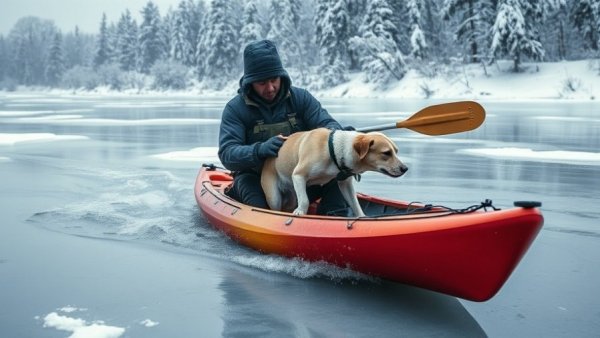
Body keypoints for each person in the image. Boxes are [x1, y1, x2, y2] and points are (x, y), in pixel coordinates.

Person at [218, 39, 352, 216]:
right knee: (258, 206)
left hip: (300, 178)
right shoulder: (235, 109)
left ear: (282, 76)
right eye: (262, 83)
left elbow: (327, 125)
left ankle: (335, 221)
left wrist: (340, 138)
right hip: (255, 179)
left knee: (337, 175)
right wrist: (260, 150)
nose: (270, 88)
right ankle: (257, 215)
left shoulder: (301, 99)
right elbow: (227, 153)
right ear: (250, 83)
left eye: (274, 80)